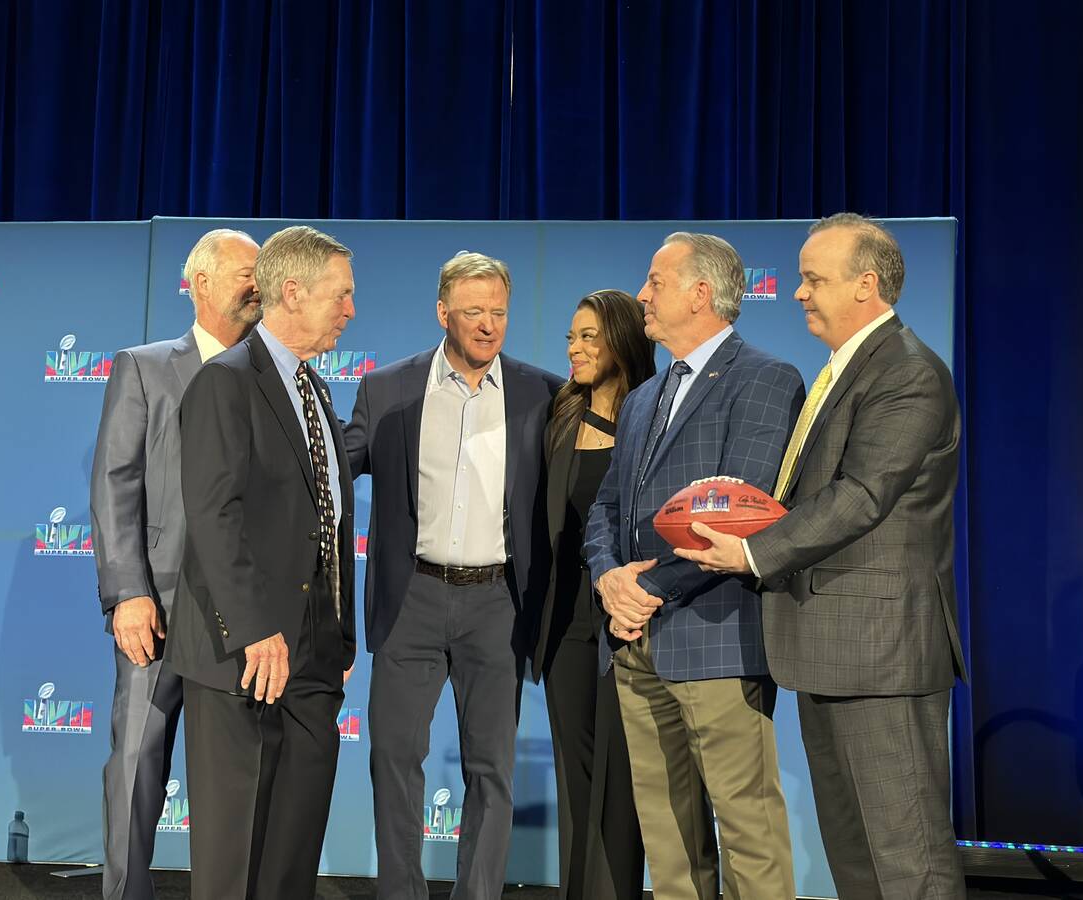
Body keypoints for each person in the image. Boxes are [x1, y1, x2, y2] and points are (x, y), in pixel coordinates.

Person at [675, 213, 969, 898]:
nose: (799, 292)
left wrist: (752, 551)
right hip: (831, 648)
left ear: (867, 285)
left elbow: (864, 494)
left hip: (881, 656)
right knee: (857, 862)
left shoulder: (909, 373)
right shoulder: (845, 368)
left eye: (813, 279)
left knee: (907, 861)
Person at [584, 232, 805, 899]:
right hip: (634, 644)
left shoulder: (766, 379)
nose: (642, 295)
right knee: (669, 841)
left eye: (654, 282)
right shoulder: (646, 396)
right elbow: (606, 506)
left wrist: (645, 587)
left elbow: (745, 515)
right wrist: (607, 577)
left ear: (700, 293)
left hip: (717, 642)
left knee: (748, 836)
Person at [345, 251, 563, 899]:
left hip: (498, 603)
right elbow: (334, 461)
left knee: (491, 768)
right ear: (443, 313)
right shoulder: (387, 388)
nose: (488, 325)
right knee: (392, 759)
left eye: (498, 313)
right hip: (410, 597)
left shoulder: (543, 393)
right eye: (473, 312)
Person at [165, 225, 358, 900]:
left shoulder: (318, 392)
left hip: (314, 653)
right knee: (236, 853)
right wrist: (254, 627)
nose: (350, 310)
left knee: (291, 848)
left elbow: (329, 517)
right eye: (342, 295)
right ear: (294, 292)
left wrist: (341, 629)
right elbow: (214, 515)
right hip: (243, 652)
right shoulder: (225, 383)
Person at [90, 228, 259, 900]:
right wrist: (126, 592)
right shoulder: (144, 366)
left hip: (242, 614)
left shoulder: (272, 375)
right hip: (156, 605)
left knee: (236, 778)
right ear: (201, 282)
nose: (258, 283)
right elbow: (115, 482)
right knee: (136, 766)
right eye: (246, 271)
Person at [532, 290, 654, 899]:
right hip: (564, 626)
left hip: (630, 620)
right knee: (575, 780)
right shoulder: (559, 417)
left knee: (624, 784)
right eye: (571, 337)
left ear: (622, 340)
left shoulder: (653, 416)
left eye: (588, 337)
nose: (574, 349)